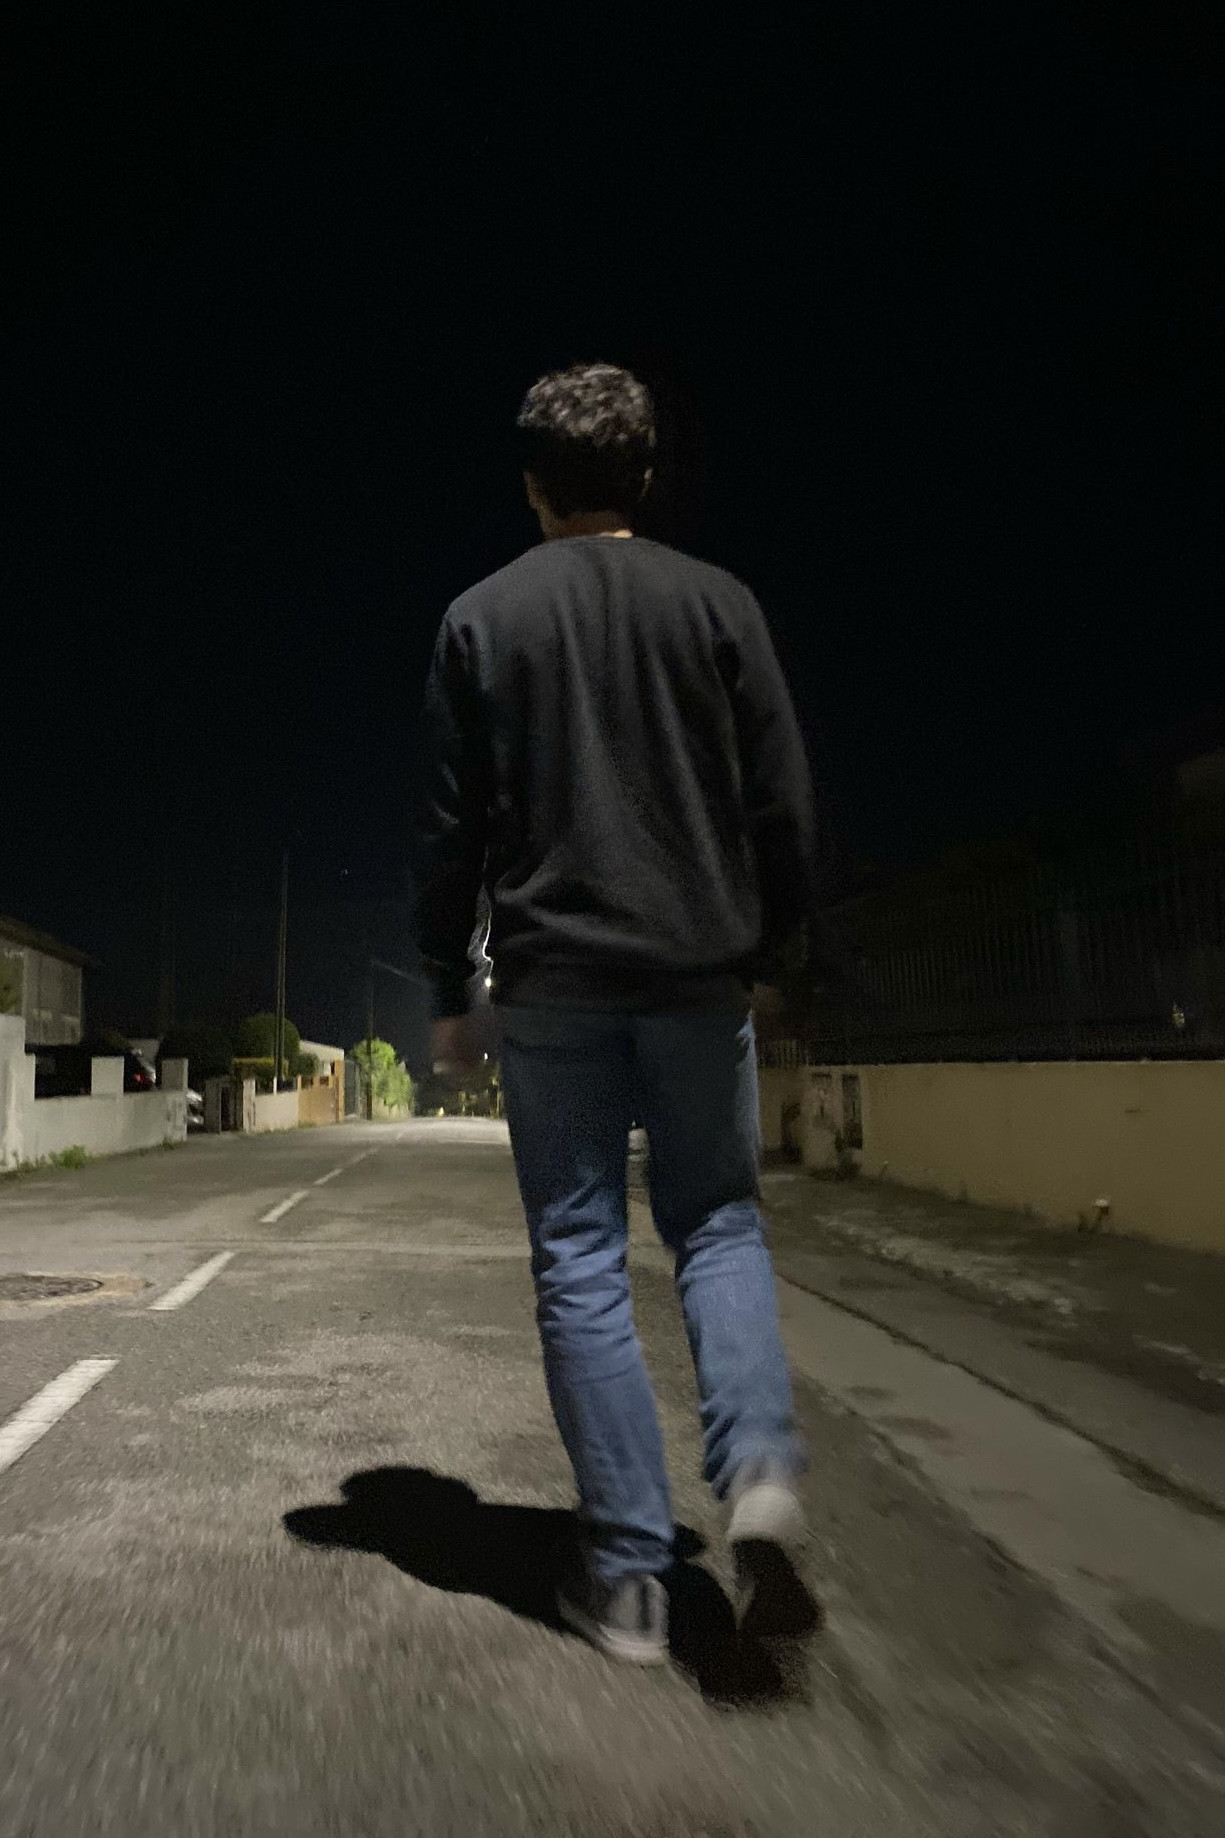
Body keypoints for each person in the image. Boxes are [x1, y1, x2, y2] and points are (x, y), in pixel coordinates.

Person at [416, 362, 821, 1666]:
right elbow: (780, 803)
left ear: (535, 485)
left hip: (554, 988)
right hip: (699, 975)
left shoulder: (480, 619)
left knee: (582, 1253)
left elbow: (452, 831)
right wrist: (775, 951)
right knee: (717, 1222)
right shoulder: (718, 604)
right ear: (643, 476)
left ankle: (630, 1578)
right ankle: (757, 1469)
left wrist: (449, 988)